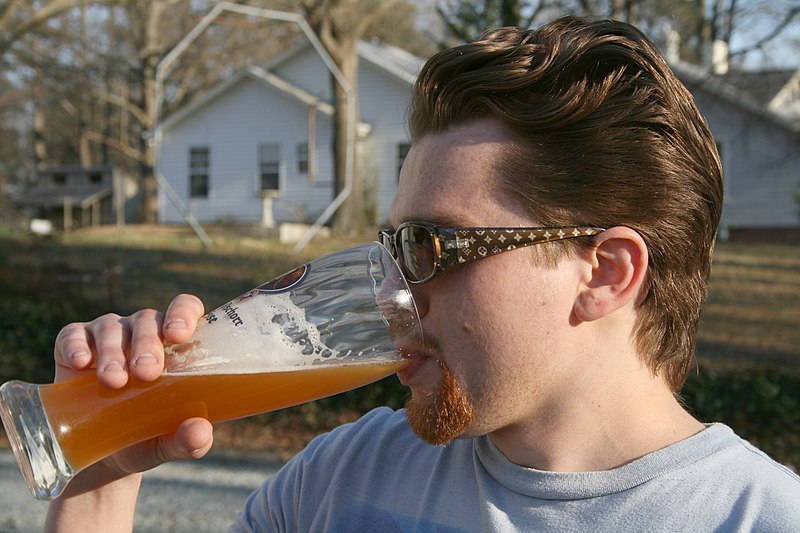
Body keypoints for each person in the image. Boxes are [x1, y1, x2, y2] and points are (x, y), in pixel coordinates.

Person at [45, 16, 800, 532]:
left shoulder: (757, 517)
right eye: (391, 248)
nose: (388, 291)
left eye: (431, 248)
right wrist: (102, 474)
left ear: (604, 272)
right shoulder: (342, 478)